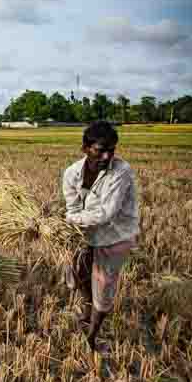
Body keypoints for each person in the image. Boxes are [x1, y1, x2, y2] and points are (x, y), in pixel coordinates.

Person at [63, 121, 139, 354]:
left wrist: (68, 219)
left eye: (112, 150)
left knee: (103, 284)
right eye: (100, 149)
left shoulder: (121, 172)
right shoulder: (72, 173)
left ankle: (92, 337)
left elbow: (106, 213)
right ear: (85, 148)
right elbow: (73, 207)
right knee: (78, 273)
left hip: (115, 235)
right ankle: (87, 309)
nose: (107, 156)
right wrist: (70, 219)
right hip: (85, 233)